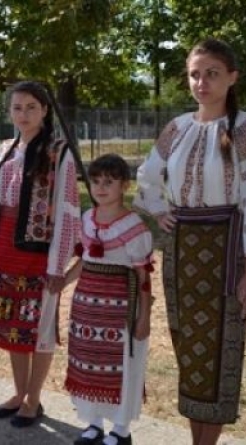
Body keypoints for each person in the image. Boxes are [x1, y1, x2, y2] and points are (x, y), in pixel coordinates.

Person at [134, 38, 246, 445]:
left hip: (227, 250)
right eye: (195, 74)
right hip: (182, 249)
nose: (201, 82)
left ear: (232, 77)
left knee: (217, 355)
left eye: (211, 73)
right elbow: (147, 175)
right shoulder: (177, 127)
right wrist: (160, 209)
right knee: (189, 350)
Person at [0, 80, 81, 427]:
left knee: (39, 326)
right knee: (14, 326)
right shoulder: (4, 150)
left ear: (45, 110)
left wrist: (58, 264)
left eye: (31, 107)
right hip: (4, 249)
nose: (23, 114)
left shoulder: (60, 153)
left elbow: (68, 211)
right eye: (17, 107)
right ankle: (18, 392)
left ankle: (34, 398)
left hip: (41, 254)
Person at [63, 154, 153, 445]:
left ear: (124, 186)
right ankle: (93, 423)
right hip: (87, 307)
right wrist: (61, 282)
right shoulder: (87, 219)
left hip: (120, 309)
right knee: (87, 361)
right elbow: (84, 260)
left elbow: (143, 276)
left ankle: (121, 429)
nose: (101, 187)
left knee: (120, 366)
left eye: (109, 182)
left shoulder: (133, 226)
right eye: (96, 181)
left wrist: (144, 318)